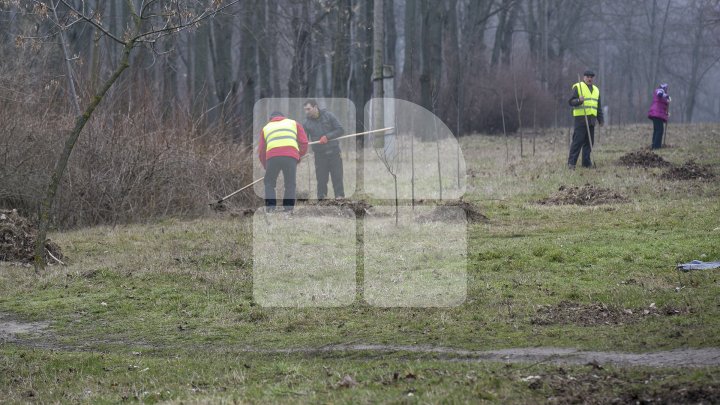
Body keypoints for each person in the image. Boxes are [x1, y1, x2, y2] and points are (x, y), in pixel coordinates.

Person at [257, 111, 308, 213]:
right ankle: (288, 209)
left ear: (271, 119)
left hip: (272, 157)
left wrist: (266, 166)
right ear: (283, 117)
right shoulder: (293, 123)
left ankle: (270, 208)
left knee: (269, 182)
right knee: (290, 183)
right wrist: (298, 156)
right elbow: (304, 142)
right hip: (290, 157)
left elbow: (261, 151)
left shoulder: (266, 128)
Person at [302, 99, 346, 199]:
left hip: (334, 153)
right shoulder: (306, 123)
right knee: (321, 180)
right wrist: (300, 153)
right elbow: (304, 141)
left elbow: (340, 130)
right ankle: (322, 201)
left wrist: (327, 136)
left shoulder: (329, 116)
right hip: (319, 156)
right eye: (305, 110)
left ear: (315, 107)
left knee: (337, 178)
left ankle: (340, 200)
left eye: (308, 109)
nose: (306, 112)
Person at [568, 70, 604, 169]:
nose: (589, 78)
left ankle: (586, 163)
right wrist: (579, 100)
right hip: (581, 119)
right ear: (584, 77)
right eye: (588, 77)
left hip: (592, 120)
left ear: (593, 78)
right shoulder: (578, 87)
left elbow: (598, 106)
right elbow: (571, 102)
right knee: (577, 142)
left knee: (589, 143)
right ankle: (571, 163)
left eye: (591, 77)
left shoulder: (596, 90)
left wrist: (600, 119)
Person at [648, 83, 670, 149]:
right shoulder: (659, 90)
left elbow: (663, 107)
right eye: (666, 89)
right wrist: (666, 96)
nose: (666, 90)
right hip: (656, 114)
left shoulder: (663, 97)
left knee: (657, 130)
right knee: (659, 130)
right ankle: (656, 147)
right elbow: (659, 94)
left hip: (657, 114)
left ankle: (654, 146)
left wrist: (666, 114)